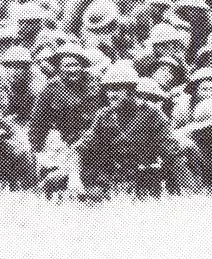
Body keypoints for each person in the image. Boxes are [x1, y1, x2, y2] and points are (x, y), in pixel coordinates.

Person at [75, 62, 175, 197]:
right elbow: (81, 149)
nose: (111, 94)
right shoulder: (104, 115)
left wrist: (183, 190)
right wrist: (74, 179)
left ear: (131, 91)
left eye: (117, 89)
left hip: (145, 181)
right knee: (60, 182)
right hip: (113, 179)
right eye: (109, 89)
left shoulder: (152, 113)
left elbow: (173, 152)